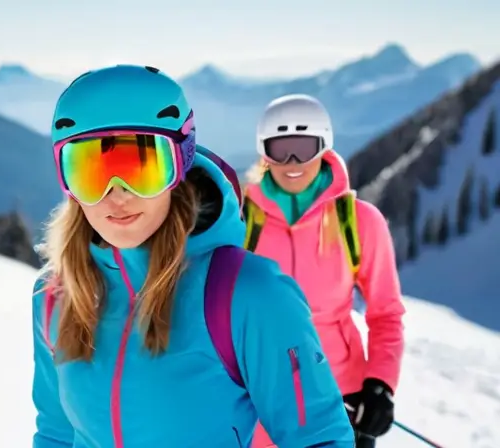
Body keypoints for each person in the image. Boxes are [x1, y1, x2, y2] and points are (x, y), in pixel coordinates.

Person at [31, 65, 354, 448]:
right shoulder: (55, 297)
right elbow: (55, 434)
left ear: (180, 163)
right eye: (89, 171)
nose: (116, 195)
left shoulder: (246, 294)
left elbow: (319, 440)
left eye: (142, 168)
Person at [242, 94, 406, 448]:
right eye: (280, 148)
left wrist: (380, 384)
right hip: (260, 403)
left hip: (340, 402)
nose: (292, 161)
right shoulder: (241, 221)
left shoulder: (358, 222)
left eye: (303, 147)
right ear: (264, 152)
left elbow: (386, 313)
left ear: (324, 147)